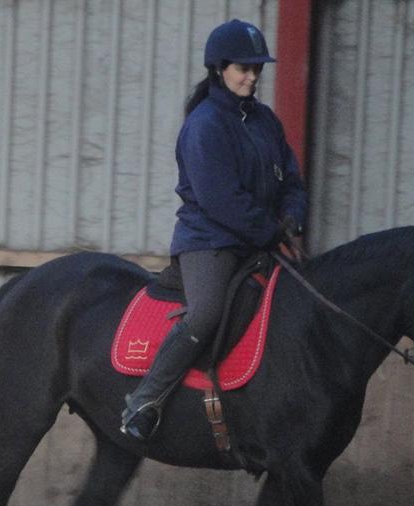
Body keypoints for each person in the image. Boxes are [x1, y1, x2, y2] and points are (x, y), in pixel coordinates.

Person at [121, 19, 308, 440]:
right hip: (212, 241)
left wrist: (293, 216)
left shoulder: (265, 122)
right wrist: (271, 230)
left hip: (262, 237)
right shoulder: (205, 125)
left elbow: (292, 180)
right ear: (219, 68)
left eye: (257, 69)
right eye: (243, 68)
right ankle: (145, 400)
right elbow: (220, 199)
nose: (252, 76)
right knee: (206, 312)